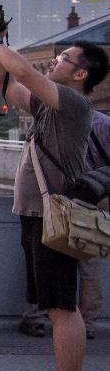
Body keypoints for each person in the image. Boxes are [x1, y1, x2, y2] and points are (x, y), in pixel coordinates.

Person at [0, 11, 109, 371]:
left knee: (61, 307)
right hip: (37, 215)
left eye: (64, 58)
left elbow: (22, 69)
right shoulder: (49, 107)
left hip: (53, 216)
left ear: (80, 75)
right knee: (56, 305)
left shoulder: (71, 104)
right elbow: (6, 83)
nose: (54, 62)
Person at [78, 108, 110, 340]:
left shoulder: (98, 123)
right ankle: (85, 321)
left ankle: (83, 321)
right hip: (92, 196)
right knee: (88, 264)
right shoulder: (102, 122)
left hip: (84, 197)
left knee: (84, 263)